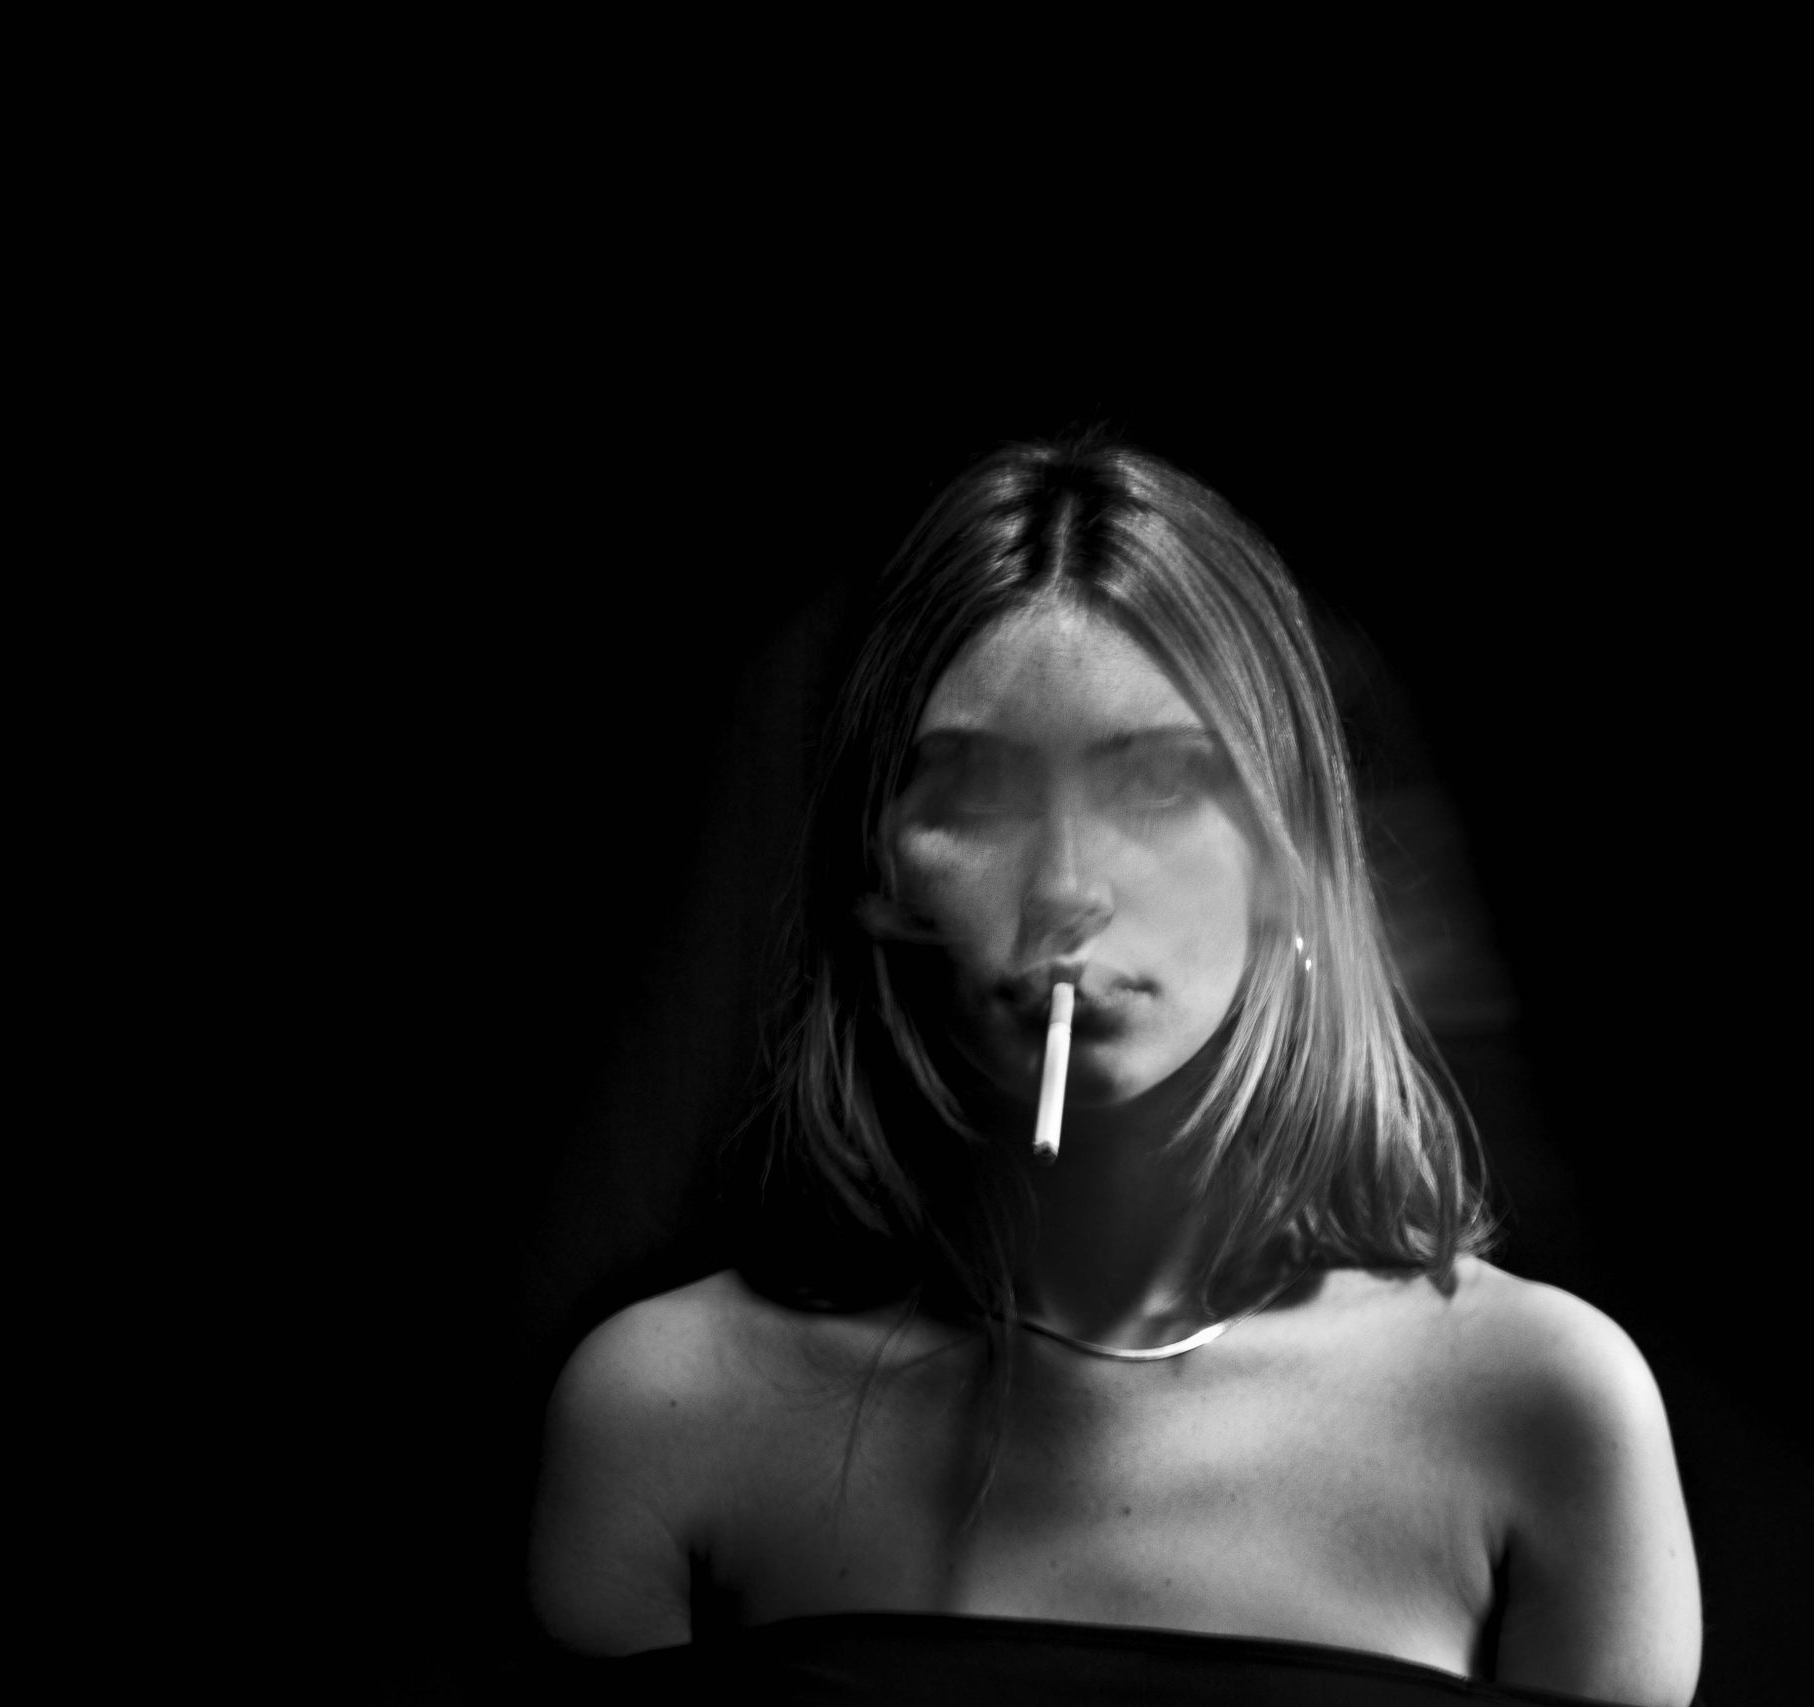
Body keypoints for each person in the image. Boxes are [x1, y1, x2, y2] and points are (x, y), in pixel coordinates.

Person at [528, 436, 1701, 1704]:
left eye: (1158, 783)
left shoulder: (1539, 1408)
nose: (1068, 888)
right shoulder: (665, 1413)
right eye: (975, 791)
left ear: (1293, 861)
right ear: (874, 869)